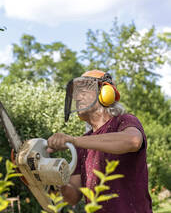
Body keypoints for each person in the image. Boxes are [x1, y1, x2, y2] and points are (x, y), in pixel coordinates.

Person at [47, 70, 152, 213]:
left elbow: (133, 141)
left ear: (105, 93)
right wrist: (57, 183)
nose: (77, 96)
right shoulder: (83, 143)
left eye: (83, 90)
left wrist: (73, 140)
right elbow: (73, 197)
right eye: (76, 93)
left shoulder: (124, 121)